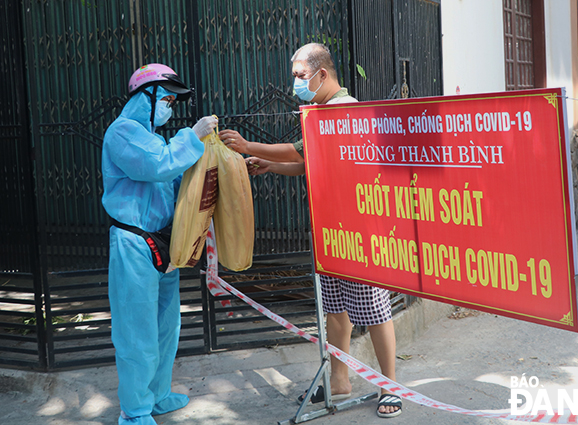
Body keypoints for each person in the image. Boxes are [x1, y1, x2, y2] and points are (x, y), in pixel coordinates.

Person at [219, 44, 402, 419]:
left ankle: (391, 386)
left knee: (374, 310)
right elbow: (309, 165)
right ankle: (339, 380)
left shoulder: (343, 109)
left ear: (322, 74)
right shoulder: (319, 110)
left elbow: (302, 151)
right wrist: (269, 166)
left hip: (360, 229)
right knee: (335, 309)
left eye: (301, 77)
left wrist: (250, 145)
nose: (296, 85)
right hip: (331, 227)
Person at [102, 63, 218, 425]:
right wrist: (193, 136)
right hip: (134, 244)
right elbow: (158, 165)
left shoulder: (151, 135)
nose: (169, 106)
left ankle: (157, 394)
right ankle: (134, 410)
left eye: (171, 100)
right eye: (165, 98)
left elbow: (173, 178)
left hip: (165, 243)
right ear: (145, 96)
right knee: (136, 331)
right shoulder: (122, 133)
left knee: (166, 325)